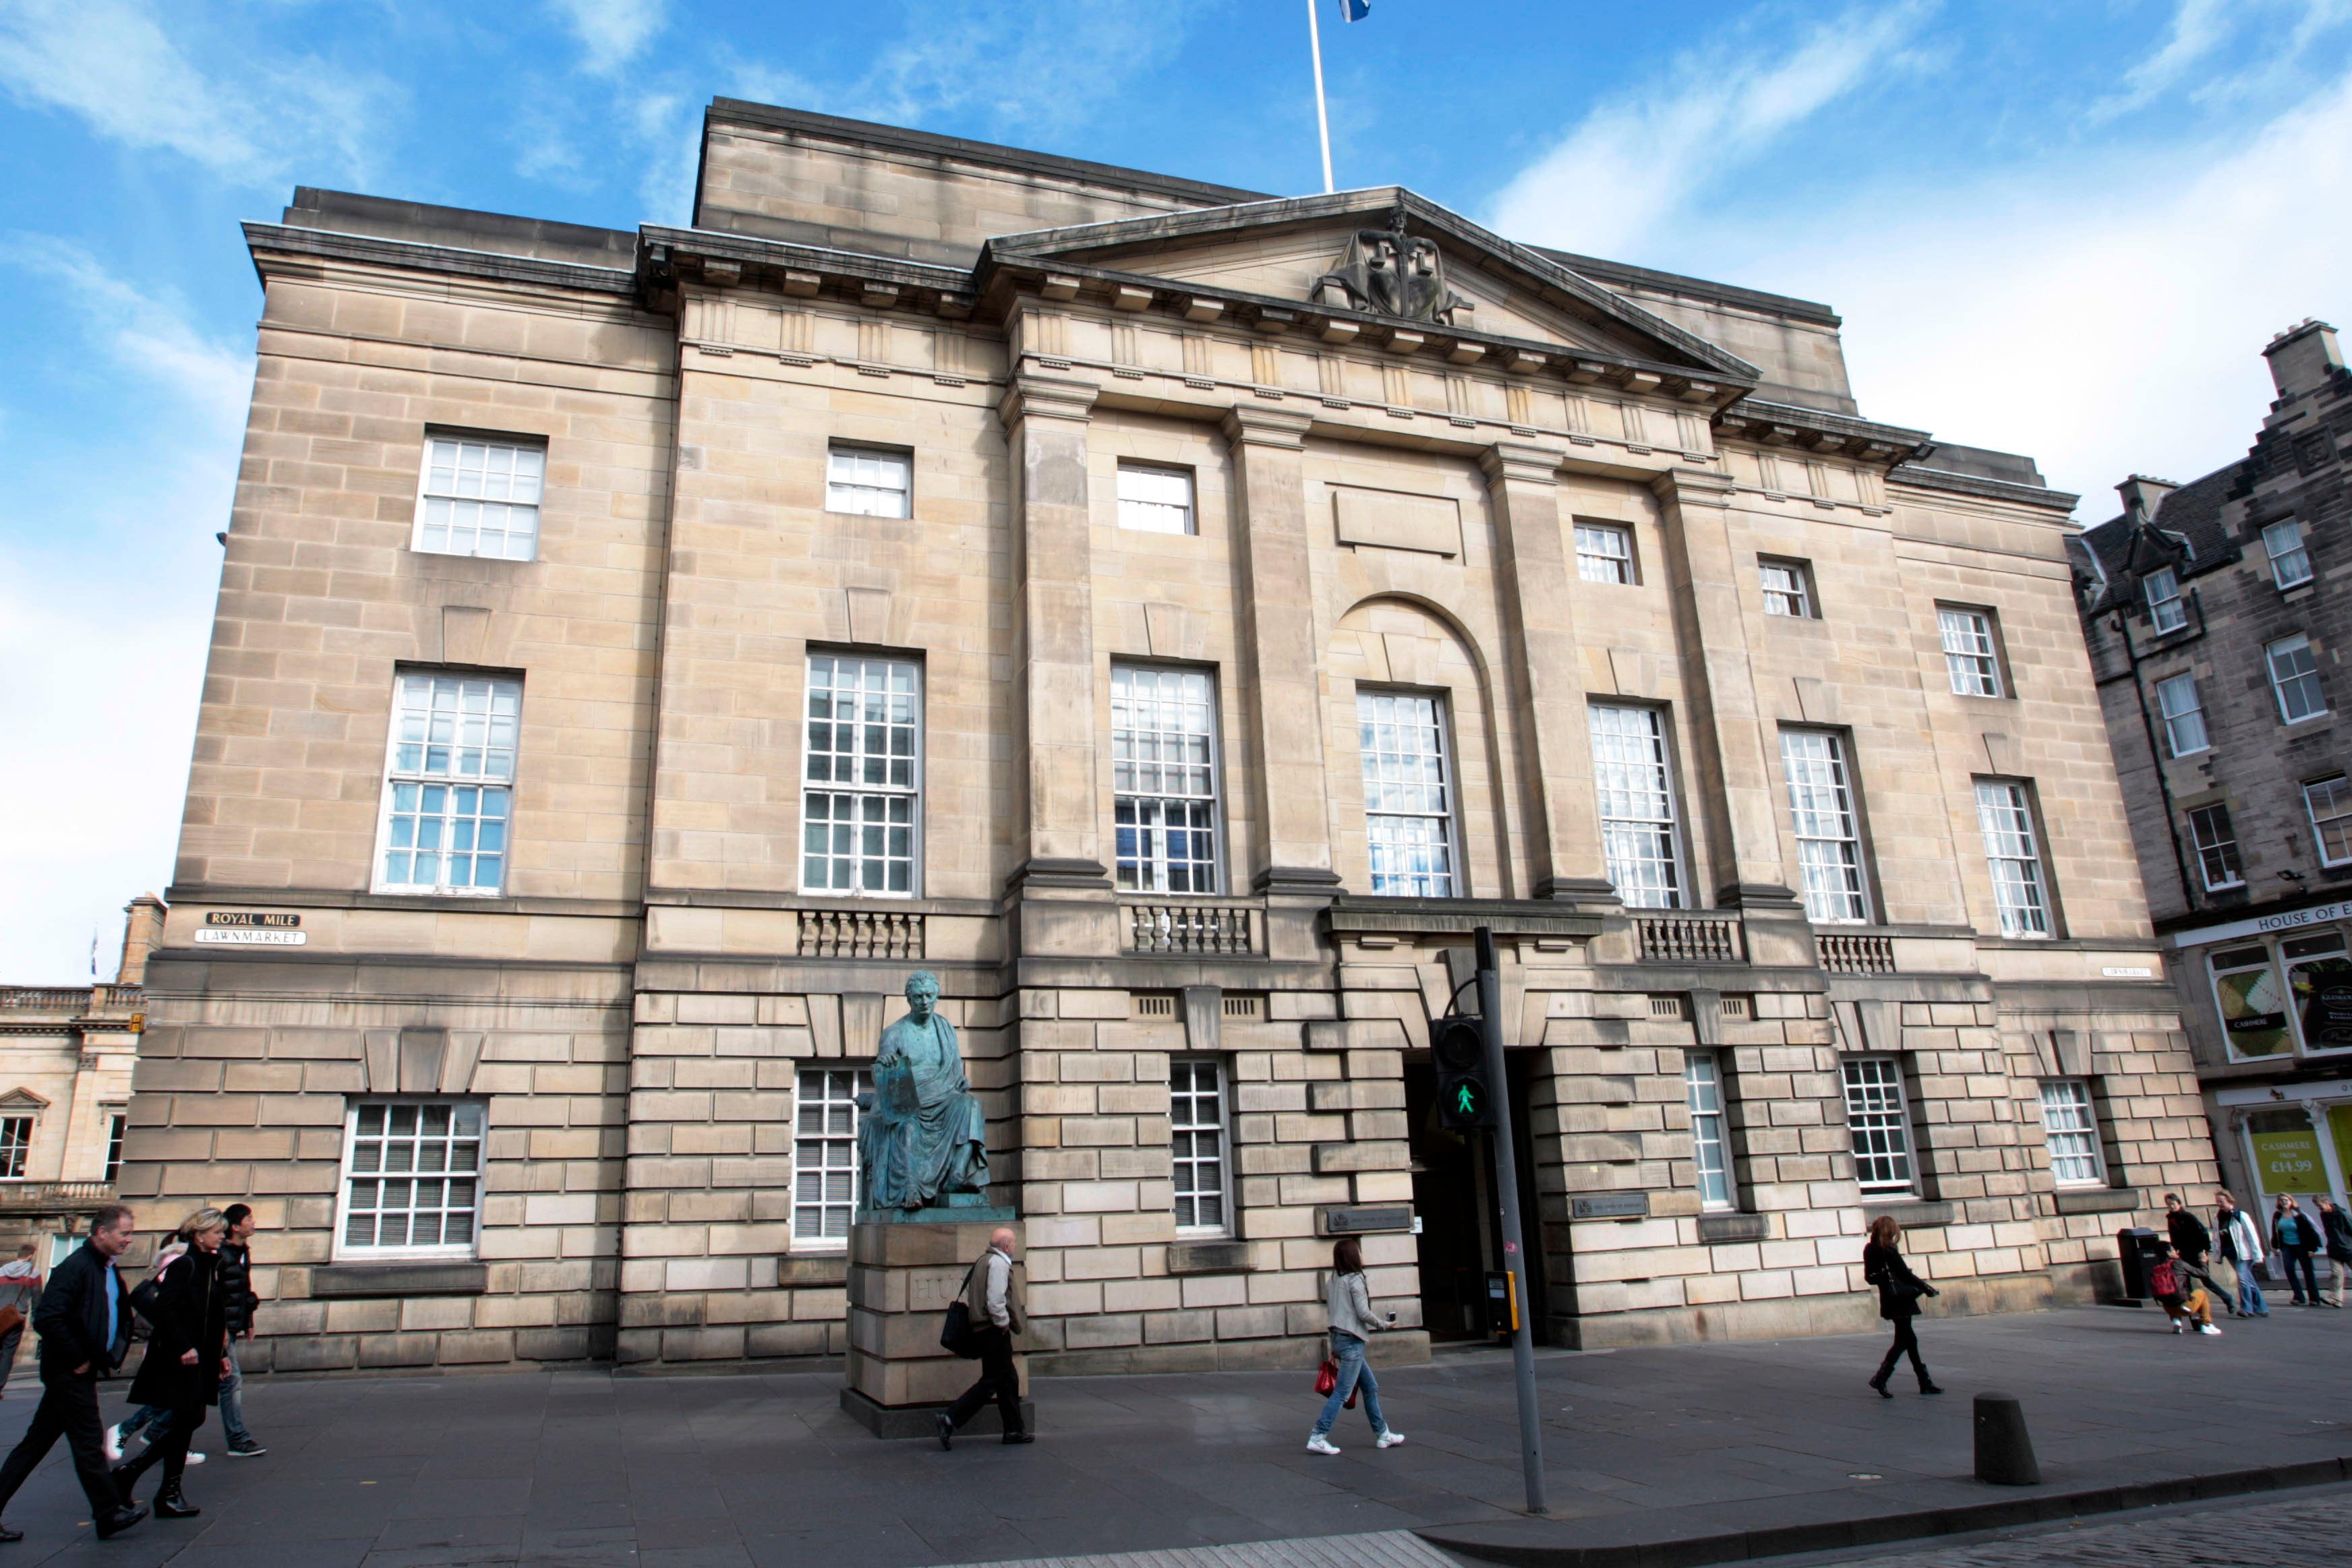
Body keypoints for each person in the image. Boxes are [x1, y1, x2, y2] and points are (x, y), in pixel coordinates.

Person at [0, 1204, 145, 1542]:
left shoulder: (106, 1268)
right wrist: (78, 1356)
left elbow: (114, 1314)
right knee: (89, 1442)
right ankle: (108, 1513)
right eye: (124, 1233)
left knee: (34, 1445)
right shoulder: (76, 1266)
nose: (129, 1240)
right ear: (102, 1233)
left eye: (130, 1233)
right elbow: (48, 1316)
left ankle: (108, 1513)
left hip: (79, 1369)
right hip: (69, 1371)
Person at [109, 1209, 231, 1519]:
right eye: (217, 1231)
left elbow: (212, 1317)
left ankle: (156, 1486)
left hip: (201, 1357)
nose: (222, 1236)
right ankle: (155, 1486)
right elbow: (165, 1308)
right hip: (183, 1359)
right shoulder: (186, 1264)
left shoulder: (210, 1266)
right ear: (199, 1234)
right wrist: (183, 1346)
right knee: (188, 1418)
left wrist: (220, 1355)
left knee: (188, 1421)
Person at [104, 1241, 206, 1468]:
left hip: (179, 1343)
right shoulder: (180, 1263)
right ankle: (133, 1431)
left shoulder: (188, 1262)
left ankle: (157, 1436)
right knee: (176, 1399)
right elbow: (169, 1306)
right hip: (172, 1346)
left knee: (182, 1401)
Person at [1307, 1238, 1404, 1455]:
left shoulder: (1333, 1280)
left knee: (1370, 1388)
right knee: (1342, 1392)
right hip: (1352, 1341)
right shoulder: (1356, 1279)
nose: (1361, 1255)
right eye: (1358, 1251)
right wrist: (1383, 1325)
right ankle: (1318, 1435)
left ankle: (1383, 1434)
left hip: (1339, 1339)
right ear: (1353, 1256)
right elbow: (1362, 1312)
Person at [935, 1228, 1028, 1450]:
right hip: (994, 1330)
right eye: (1014, 1243)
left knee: (1008, 1379)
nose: (1016, 1247)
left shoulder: (983, 1260)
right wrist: (1004, 1324)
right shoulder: (998, 1264)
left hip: (984, 1329)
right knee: (993, 1381)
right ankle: (950, 1419)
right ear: (1006, 1246)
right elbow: (995, 1300)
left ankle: (1014, 1429)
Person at [1863, 1215, 1944, 1397]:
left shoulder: (1870, 1249)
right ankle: (1881, 1379)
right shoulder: (1889, 1250)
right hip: (1901, 1299)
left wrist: (1883, 1276)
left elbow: (1870, 1277)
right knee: (1903, 1341)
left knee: (1909, 1340)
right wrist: (1927, 1288)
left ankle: (1924, 1382)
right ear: (1890, 1231)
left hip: (1890, 1298)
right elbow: (1905, 1275)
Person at [215, 1205, 265, 1455]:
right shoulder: (223, 1255)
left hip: (232, 1326)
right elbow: (218, 1296)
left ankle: (152, 1432)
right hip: (220, 1329)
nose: (253, 1222)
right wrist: (223, 1329)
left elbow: (242, 1291)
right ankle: (237, 1439)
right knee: (231, 1381)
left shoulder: (242, 1251)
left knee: (220, 1382)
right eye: (249, 1219)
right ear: (235, 1226)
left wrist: (248, 1322)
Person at [2164, 1193, 2234, 1314]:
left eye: (2173, 1204)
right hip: (2184, 1254)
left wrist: (2204, 1250)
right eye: (2169, 1205)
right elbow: (2174, 1237)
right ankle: (2192, 1305)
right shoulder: (2171, 1219)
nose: (2171, 1207)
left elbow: (2202, 1232)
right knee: (2185, 1280)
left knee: (2205, 1279)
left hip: (2197, 1252)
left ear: (2179, 1203)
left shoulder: (2187, 1216)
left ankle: (2227, 1299)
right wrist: (2175, 1250)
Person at [2149, 1242, 2222, 1334]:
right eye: (2174, 1250)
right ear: (2169, 1253)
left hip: (2168, 1308)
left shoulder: (2156, 1267)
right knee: (2201, 1293)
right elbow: (2204, 1274)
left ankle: (2177, 1321)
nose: (2177, 1252)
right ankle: (2206, 1325)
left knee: (2171, 1293)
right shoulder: (2179, 1264)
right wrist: (2203, 1262)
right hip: (2185, 1307)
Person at [2216, 1190, 2268, 1317]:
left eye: (2221, 1202)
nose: (2219, 1204)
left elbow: (2252, 1236)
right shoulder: (2218, 1217)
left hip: (2244, 1254)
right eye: (2218, 1202)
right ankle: (2261, 1307)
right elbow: (2217, 1237)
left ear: (2229, 1201)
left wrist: (2257, 1254)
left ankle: (2246, 1308)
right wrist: (2218, 1253)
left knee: (2243, 1280)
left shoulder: (2240, 1215)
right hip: (2230, 1253)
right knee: (2248, 1280)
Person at [0, 1245, 39, 1397]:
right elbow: (37, 1299)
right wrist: (37, 1321)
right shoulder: (33, 1273)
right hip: (17, 1317)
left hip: (0, 1316)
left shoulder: (2, 1271)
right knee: (8, 1353)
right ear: (30, 1256)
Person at [2272, 1195, 2324, 1306]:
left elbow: (2309, 1232)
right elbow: (2275, 1231)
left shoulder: (2299, 1215)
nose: (2284, 1202)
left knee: (2308, 1271)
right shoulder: (2278, 1215)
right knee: (2289, 1269)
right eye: (2281, 1200)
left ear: (2291, 1202)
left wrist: (2311, 1249)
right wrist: (2275, 1246)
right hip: (2287, 1246)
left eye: (2286, 1200)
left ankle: (2314, 1298)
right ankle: (2299, 1296)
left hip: (2302, 1245)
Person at [2316, 1197, 2352, 1308]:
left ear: (2327, 1203)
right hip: (2333, 1249)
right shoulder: (2324, 1215)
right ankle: (2336, 1299)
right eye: (2318, 1207)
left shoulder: (2342, 1214)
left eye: (2321, 1206)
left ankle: (2335, 1298)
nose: (2320, 1209)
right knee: (2337, 1274)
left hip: (2348, 1249)